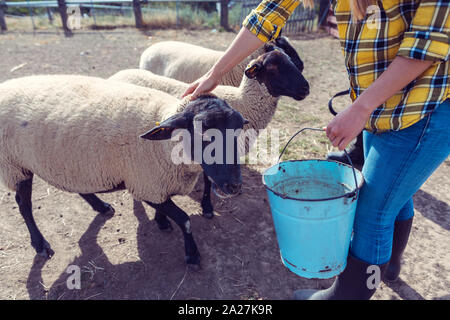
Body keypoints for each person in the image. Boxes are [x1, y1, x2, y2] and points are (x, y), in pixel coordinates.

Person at [182, 0, 449, 300]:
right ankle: (389, 266)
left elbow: (426, 45)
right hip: (381, 108)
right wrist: (216, 73)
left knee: (372, 212)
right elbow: (269, 13)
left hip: (421, 111)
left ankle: (342, 297)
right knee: (396, 191)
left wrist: (360, 108)